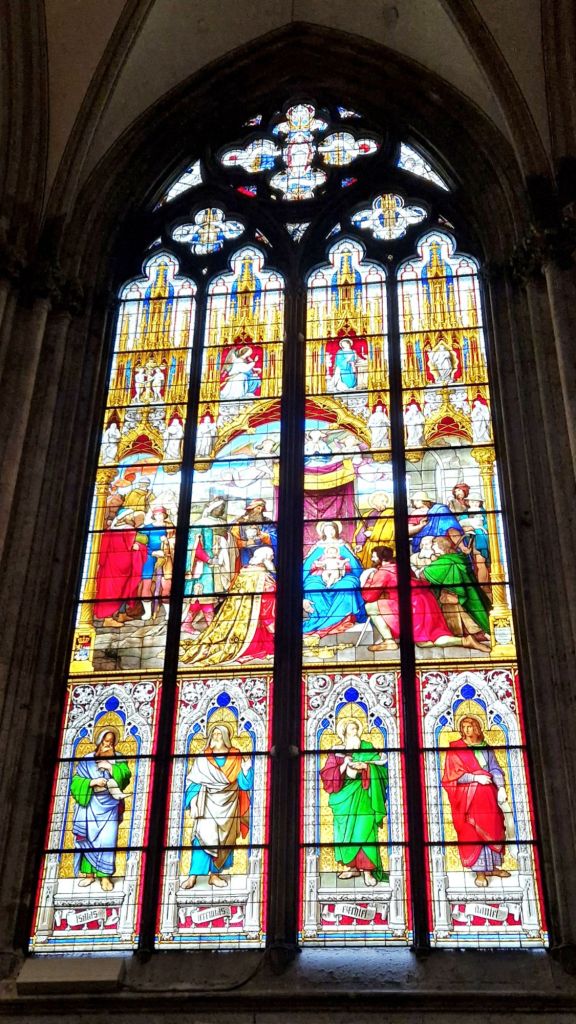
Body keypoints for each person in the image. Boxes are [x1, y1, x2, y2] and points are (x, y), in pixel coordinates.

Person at [182, 724, 253, 890]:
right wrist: (193, 800)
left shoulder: (236, 757)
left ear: (226, 738)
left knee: (225, 841)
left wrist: (246, 769)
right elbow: (193, 781)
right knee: (201, 839)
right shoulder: (203, 758)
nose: (215, 737)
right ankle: (193, 876)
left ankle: (215, 875)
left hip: (229, 805)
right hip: (207, 804)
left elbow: (245, 785)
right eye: (213, 734)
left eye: (219, 734)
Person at [442, 715, 511, 887]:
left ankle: (492, 868)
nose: (467, 730)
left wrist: (501, 787)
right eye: (464, 727)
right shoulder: (455, 749)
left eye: (470, 726)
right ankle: (480, 872)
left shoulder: (486, 748)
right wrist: (474, 777)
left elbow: (495, 769)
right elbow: (451, 777)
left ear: (477, 728)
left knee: (493, 828)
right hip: (468, 799)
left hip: (489, 796)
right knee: (473, 832)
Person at [320, 718, 388, 887]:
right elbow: (327, 775)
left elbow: (383, 770)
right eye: (351, 730)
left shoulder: (367, 748)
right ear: (344, 733)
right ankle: (353, 867)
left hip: (364, 795)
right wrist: (344, 766)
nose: (355, 733)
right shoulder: (336, 752)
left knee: (365, 832)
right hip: (343, 798)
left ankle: (368, 872)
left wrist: (366, 767)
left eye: (356, 729)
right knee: (345, 834)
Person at [180, 546, 276, 666]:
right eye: (271, 556)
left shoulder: (246, 571)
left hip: (244, 614)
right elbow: (268, 597)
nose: (273, 557)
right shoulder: (260, 574)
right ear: (265, 558)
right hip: (254, 615)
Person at [360, 545, 468, 650]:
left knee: (370, 606)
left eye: (374, 557)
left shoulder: (383, 572)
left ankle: (389, 641)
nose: (372, 559)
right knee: (426, 641)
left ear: (382, 558)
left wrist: (370, 579)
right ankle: (465, 641)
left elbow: (369, 596)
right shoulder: (402, 566)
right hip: (427, 602)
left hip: (411, 605)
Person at [71, 728, 131, 892]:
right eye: (106, 741)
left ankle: (105, 877)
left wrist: (111, 767)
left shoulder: (118, 759)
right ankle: (89, 875)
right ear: (99, 741)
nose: (108, 745)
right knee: (87, 839)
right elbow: (75, 783)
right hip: (89, 804)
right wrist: (92, 782)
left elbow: (125, 777)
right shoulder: (87, 760)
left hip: (110, 806)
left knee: (107, 840)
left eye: (111, 742)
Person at [418, 536, 491, 649]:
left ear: (442, 547)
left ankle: (473, 633)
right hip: (469, 594)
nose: (432, 549)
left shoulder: (445, 562)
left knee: (439, 600)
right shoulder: (457, 557)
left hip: (457, 597)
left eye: (434, 546)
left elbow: (423, 575)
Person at [303, 521, 367, 636]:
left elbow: (353, 564)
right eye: (327, 529)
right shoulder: (318, 546)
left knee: (348, 585)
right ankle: (320, 617)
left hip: (342, 574)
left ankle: (344, 618)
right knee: (312, 586)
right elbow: (308, 565)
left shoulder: (343, 545)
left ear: (336, 530)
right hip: (319, 575)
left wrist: (341, 565)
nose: (330, 532)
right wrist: (318, 565)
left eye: (332, 529)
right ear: (323, 531)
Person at [93, 509, 149, 627]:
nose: (133, 519)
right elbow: (131, 546)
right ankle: (108, 619)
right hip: (119, 567)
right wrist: (140, 547)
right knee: (116, 591)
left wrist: (101, 563)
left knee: (120, 590)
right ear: (125, 517)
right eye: (131, 516)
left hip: (111, 565)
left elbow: (103, 550)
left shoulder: (110, 531)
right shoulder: (128, 529)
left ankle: (121, 614)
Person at [354, 493, 395, 568]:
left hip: (382, 546)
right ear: (376, 502)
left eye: (386, 502)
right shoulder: (367, 514)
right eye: (382, 501)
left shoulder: (390, 513)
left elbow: (391, 532)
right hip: (367, 545)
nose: (385, 504)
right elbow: (362, 530)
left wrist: (373, 534)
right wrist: (360, 544)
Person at [232, 498, 277, 564]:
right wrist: (245, 543)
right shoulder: (239, 522)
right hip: (245, 554)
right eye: (258, 508)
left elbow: (275, 538)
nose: (260, 510)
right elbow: (232, 540)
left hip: (264, 553)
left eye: (262, 509)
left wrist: (263, 536)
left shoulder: (268, 522)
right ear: (250, 509)